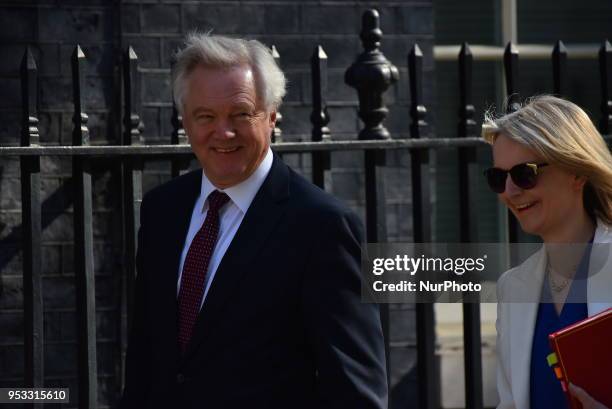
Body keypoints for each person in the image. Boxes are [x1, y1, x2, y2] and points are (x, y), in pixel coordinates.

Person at [119, 33, 388, 409]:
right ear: (186, 121)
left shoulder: (323, 227)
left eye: (241, 114)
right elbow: (147, 358)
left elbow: (356, 392)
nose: (223, 132)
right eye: (206, 116)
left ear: (272, 116)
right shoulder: (162, 210)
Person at [482, 95, 612, 409]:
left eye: (525, 174)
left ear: (577, 172)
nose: (510, 192)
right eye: (499, 178)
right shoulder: (512, 287)